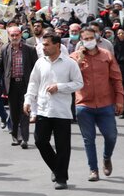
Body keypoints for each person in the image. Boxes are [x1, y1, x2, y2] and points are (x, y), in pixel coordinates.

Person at [24, 32, 84, 190]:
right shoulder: (40, 63)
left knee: (63, 146)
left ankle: (61, 178)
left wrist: (60, 87)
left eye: (46, 44)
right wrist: (28, 100)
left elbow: (79, 83)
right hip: (44, 109)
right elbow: (33, 83)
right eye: (43, 44)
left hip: (62, 111)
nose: (43, 47)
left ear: (57, 45)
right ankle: (57, 168)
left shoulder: (70, 63)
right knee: (40, 140)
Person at [70, 27, 123, 182]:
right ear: (80, 40)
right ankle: (93, 169)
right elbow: (69, 79)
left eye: (91, 38)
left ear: (96, 37)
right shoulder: (73, 57)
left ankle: (107, 157)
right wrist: (78, 62)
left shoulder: (107, 55)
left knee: (111, 135)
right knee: (89, 139)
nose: (88, 41)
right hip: (84, 104)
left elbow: (116, 79)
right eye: (85, 39)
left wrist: (119, 99)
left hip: (105, 104)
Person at [0, 26, 38, 148]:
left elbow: (36, 67)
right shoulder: (5, 49)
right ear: (8, 36)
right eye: (12, 35)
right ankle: (15, 136)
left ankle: (24, 138)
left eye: (17, 35)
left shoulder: (29, 49)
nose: (14, 37)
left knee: (25, 111)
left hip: (26, 84)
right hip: (12, 85)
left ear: (20, 35)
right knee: (14, 113)